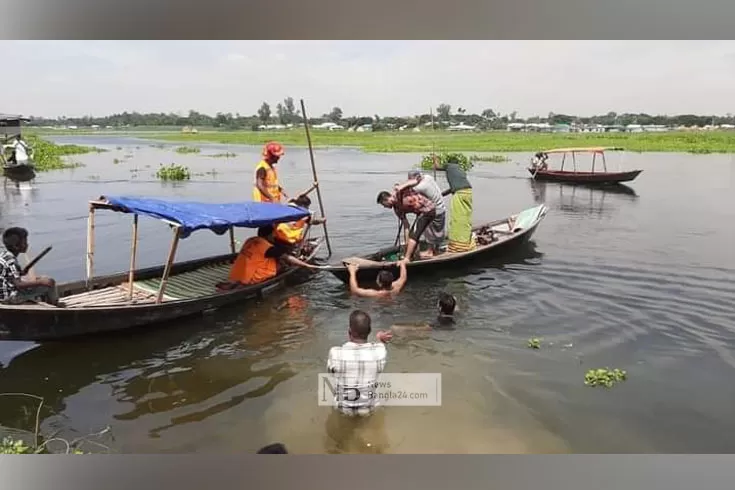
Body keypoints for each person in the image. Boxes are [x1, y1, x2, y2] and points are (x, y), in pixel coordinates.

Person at [327, 310, 393, 417]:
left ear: (349, 331)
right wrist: (379, 338)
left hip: (343, 409)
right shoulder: (380, 352)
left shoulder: (335, 353)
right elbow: (379, 345)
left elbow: (331, 374)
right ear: (369, 331)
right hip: (368, 410)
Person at [216, 226, 317, 290]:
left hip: (235, 274)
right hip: (249, 278)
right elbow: (288, 258)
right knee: (283, 264)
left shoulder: (250, 240)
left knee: (273, 258)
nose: (273, 237)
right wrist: (306, 265)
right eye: (272, 235)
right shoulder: (266, 247)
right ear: (269, 235)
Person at [392, 170, 447, 257]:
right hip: (442, 207)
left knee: (428, 229)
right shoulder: (428, 178)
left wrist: (398, 188)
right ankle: (436, 249)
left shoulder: (419, 187)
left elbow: (408, 189)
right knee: (435, 231)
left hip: (435, 209)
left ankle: (430, 251)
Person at [376, 186, 437, 261]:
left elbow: (408, 185)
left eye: (383, 204)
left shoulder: (398, 195)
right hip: (420, 213)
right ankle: (412, 254)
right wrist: (407, 244)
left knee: (415, 234)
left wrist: (399, 187)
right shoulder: (397, 210)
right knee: (413, 235)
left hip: (428, 209)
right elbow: (406, 226)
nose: (385, 207)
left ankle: (408, 258)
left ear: (386, 200)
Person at [0, 227, 58, 305]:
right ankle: (55, 308)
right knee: (50, 283)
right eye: (25, 242)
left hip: (4, 293)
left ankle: (43, 301)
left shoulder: (4, 255)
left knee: (40, 279)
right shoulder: (11, 261)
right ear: (16, 246)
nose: (27, 244)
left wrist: (22, 273)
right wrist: (40, 282)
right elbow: (18, 285)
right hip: (9, 298)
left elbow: (9, 275)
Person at [436, 156, 475, 253]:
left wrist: (435, 158)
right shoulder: (460, 170)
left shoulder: (449, 166)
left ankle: (459, 244)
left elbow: (436, 166)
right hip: (468, 192)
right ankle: (465, 240)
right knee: (465, 217)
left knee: (457, 218)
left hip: (460, 194)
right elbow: (453, 188)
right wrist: (440, 195)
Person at [389, 292, 458, 337]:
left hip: (436, 330)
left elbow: (428, 328)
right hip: (449, 330)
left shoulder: (437, 322)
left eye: (437, 303)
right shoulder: (454, 316)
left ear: (440, 308)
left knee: (394, 328)